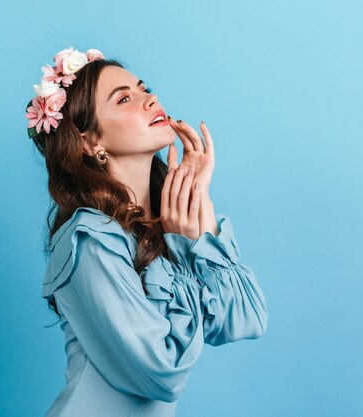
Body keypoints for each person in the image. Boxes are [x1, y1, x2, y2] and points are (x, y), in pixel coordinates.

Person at [26, 47, 268, 417]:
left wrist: (197, 201)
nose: (149, 98)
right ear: (91, 142)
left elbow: (243, 320)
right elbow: (162, 373)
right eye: (124, 98)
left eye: (144, 89)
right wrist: (184, 256)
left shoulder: (166, 225)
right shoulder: (89, 240)